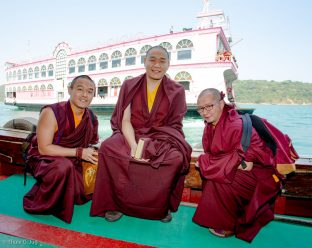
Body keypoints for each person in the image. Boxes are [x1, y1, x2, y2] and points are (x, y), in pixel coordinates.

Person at [90, 46, 192, 222]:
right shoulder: (130, 85)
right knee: (107, 148)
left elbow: (174, 126)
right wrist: (134, 146)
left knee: (175, 158)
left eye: (162, 61)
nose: (156, 65)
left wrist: (154, 146)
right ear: (145, 62)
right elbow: (125, 120)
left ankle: (159, 206)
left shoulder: (177, 90)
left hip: (160, 137)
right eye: (152, 60)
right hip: (130, 134)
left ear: (168, 64)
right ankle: (116, 204)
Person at [193, 88, 284, 242]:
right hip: (241, 171)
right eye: (201, 109)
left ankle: (229, 224)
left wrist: (205, 162)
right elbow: (217, 156)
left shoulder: (236, 125)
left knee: (221, 176)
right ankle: (225, 214)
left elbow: (246, 165)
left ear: (221, 104)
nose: (205, 112)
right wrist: (211, 162)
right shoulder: (211, 126)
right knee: (216, 172)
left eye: (209, 106)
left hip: (259, 178)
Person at [23, 75, 99, 223]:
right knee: (64, 166)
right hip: (45, 158)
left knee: (105, 157)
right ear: (70, 90)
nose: (85, 95)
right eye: (80, 89)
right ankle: (45, 203)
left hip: (75, 157)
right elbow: (44, 148)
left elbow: (92, 142)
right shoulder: (52, 112)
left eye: (90, 91)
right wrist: (78, 152)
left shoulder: (91, 116)